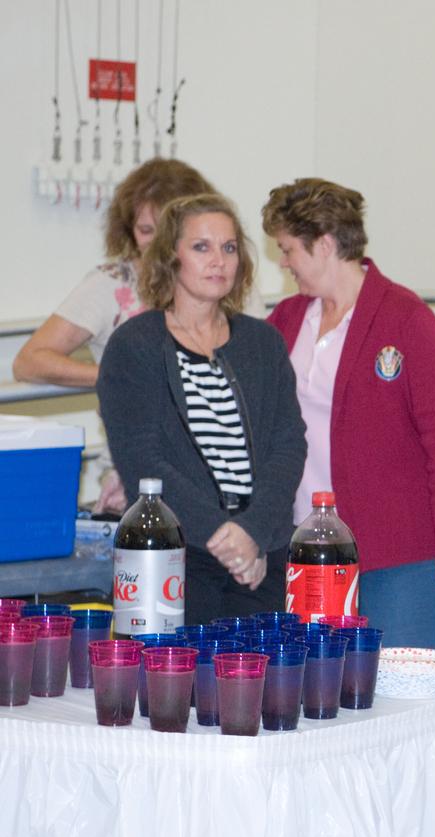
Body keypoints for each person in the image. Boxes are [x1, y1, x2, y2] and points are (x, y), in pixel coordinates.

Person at [263, 178, 435, 650]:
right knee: (321, 685)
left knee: (404, 684)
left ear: (323, 245)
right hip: (309, 549)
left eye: (288, 249)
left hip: (399, 551)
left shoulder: (407, 318)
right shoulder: (287, 319)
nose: (283, 262)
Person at [97, 193, 306, 624]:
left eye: (229, 247)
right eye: (201, 247)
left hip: (260, 554)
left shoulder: (263, 343)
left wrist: (252, 533)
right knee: (185, 670)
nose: (219, 261)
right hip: (179, 556)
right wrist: (226, 539)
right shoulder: (134, 345)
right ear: (170, 257)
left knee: (264, 668)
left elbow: (288, 445)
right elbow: (142, 461)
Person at [14, 159, 216, 512]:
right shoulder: (112, 283)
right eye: (145, 230)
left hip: (212, 471)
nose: (156, 243)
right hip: (135, 472)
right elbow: (30, 361)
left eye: (167, 230)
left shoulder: (219, 279)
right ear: (128, 230)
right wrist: (116, 376)